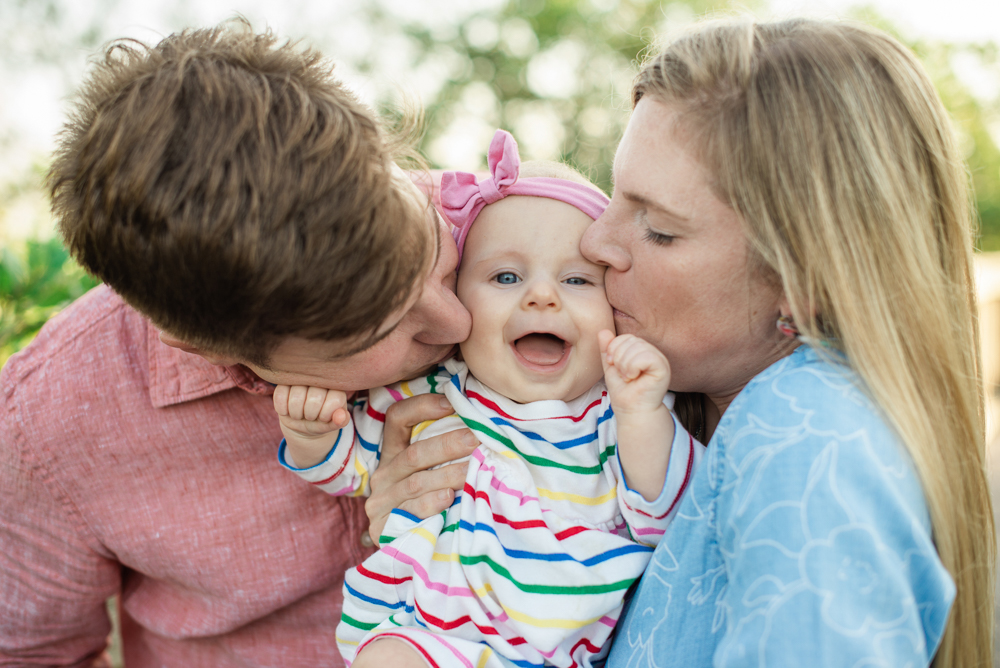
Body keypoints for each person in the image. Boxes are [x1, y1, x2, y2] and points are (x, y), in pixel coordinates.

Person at [0, 21, 479, 666]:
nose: (459, 325)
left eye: (435, 254)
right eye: (379, 332)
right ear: (199, 343)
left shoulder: (513, 230)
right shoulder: (47, 424)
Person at [573, 17, 992, 667]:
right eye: (614, 196)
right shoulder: (645, 410)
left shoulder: (808, 439)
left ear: (805, 281)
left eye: (656, 227)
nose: (594, 242)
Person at [273, 129, 702, 668]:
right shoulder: (434, 393)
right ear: (458, 298)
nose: (541, 296)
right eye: (505, 276)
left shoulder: (613, 413)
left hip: (557, 651)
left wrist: (641, 413)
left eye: (575, 279)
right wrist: (311, 435)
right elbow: (351, 470)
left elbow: (666, 510)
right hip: (425, 634)